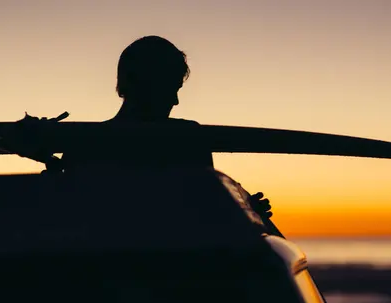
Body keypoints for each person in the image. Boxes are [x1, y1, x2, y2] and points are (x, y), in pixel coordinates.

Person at [43, 35, 272, 218]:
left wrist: (244, 209)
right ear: (142, 85)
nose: (175, 101)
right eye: (170, 88)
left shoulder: (85, 142)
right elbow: (200, 215)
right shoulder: (187, 138)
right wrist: (243, 213)